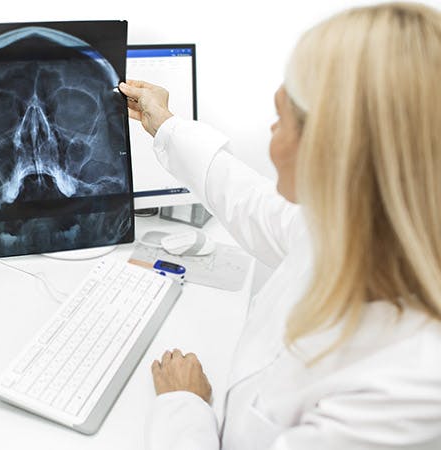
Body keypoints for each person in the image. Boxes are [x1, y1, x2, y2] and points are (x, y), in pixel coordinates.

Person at [119, 2, 441, 449]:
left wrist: (183, 407)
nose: (271, 133)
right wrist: (166, 126)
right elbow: (256, 205)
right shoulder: (351, 229)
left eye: (282, 115)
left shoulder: (411, 389)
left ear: (337, 147)